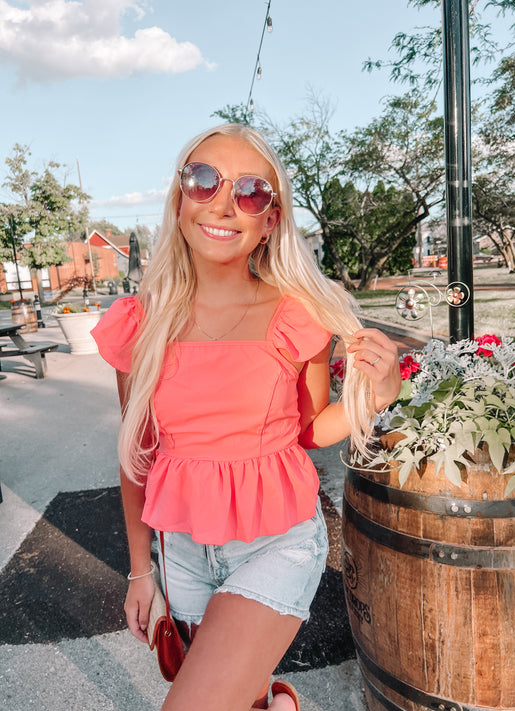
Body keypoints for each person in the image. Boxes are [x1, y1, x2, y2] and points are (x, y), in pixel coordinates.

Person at [91, 123, 401, 711]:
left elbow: (309, 430)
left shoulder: (297, 316)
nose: (225, 204)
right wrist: (140, 571)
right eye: (204, 180)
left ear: (272, 218)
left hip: (275, 544)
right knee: (241, 697)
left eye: (252, 191)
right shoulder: (140, 323)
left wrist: (376, 396)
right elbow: (136, 455)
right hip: (182, 551)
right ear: (180, 198)